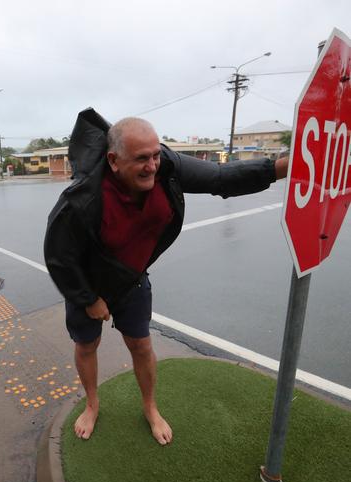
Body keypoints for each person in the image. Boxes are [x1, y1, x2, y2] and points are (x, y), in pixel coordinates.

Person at [44, 109, 288, 445]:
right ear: (114, 160)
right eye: (141, 158)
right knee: (87, 345)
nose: (152, 166)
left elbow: (220, 177)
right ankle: (92, 403)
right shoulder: (83, 198)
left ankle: (150, 407)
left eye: (156, 155)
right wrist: (88, 299)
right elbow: (59, 258)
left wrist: (282, 168)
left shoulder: (167, 168)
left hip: (132, 281)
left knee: (142, 346)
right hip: (88, 285)